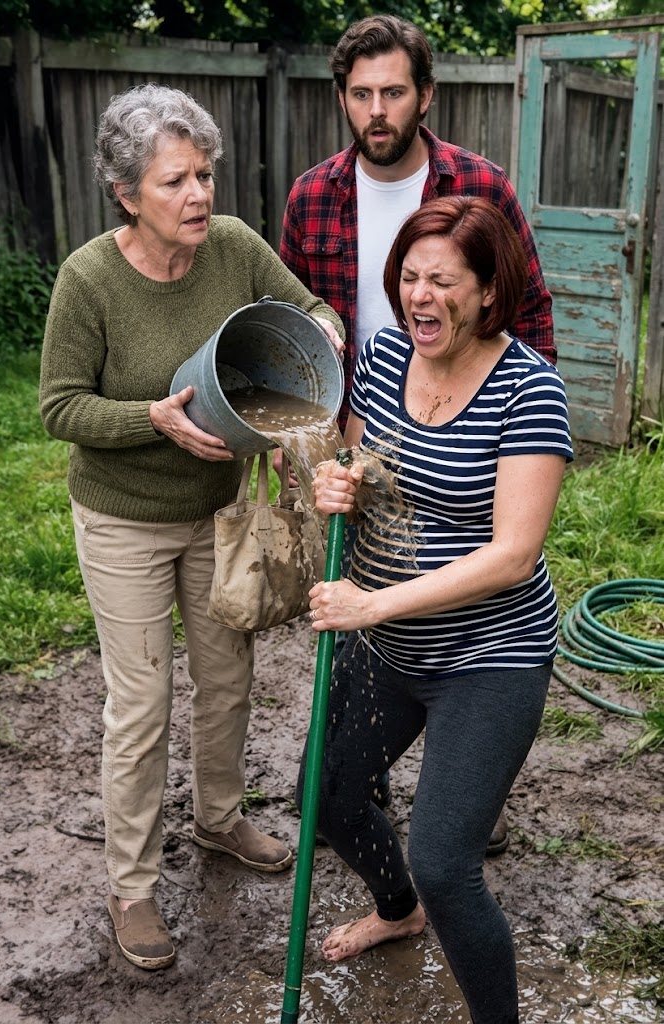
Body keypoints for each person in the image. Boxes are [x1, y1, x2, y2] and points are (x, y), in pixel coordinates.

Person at [39, 83, 344, 972]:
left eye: (205, 175)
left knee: (228, 675)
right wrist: (153, 418)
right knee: (140, 705)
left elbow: (310, 313)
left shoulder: (236, 249)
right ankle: (131, 886)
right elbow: (59, 408)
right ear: (128, 193)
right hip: (123, 517)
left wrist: (321, 336)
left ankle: (218, 820)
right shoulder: (89, 279)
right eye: (175, 182)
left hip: (218, 513)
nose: (200, 196)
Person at [281, 13, 556, 852]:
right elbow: (296, 319)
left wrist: (516, 432)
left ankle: (467, 780)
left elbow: (530, 315)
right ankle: (379, 786)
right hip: (363, 421)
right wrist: (324, 448)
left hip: (468, 420)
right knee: (381, 601)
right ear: (342, 100)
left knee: (473, 581)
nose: (377, 109)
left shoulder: (482, 187)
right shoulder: (312, 195)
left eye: (393, 91)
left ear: (424, 95)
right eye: (360, 94)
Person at [300, 195, 572, 1024]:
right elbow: (355, 460)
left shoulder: (531, 387)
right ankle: (396, 909)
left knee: (447, 861)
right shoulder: (382, 358)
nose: (420, 295)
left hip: (489, 655)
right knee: (328, 795)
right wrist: (331, 482)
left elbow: (511, 555)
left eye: (443, 281)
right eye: (409, 278)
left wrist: (371, 603)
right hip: (386, 645)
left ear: (489, 292)